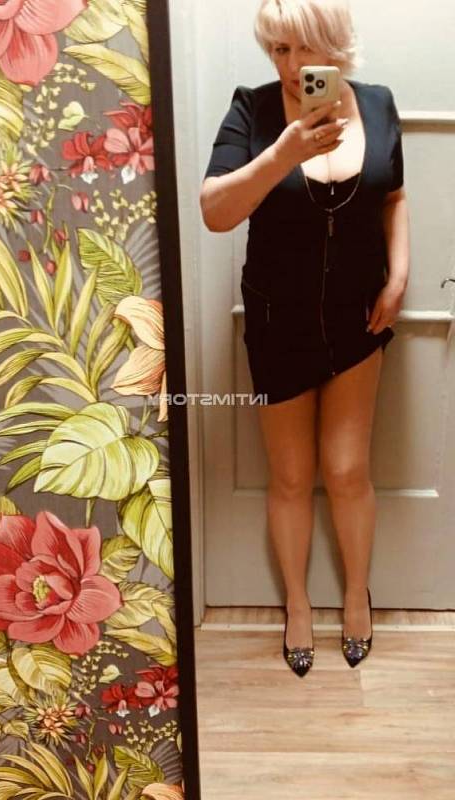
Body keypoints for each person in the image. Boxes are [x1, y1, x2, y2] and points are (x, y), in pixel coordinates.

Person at [199, 0, 410, 677]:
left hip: (359, 315)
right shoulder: (254, 109)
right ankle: (296, 603)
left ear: (335, 44)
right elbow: (215, 212)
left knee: (347, 470)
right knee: (290, 476)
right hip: (278, 318)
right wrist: (285, 151)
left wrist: (399, 276)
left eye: (302, 48)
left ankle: (355, 595)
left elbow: (393, 196)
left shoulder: (377, 104)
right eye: (278, 50)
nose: (290, 66)